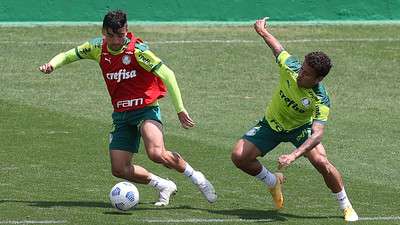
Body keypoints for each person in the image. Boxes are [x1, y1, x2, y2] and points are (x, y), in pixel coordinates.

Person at [39, 10, 217, 206]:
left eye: (120, 35)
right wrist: (52, 65)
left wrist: (180, 109)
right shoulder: (96, 47)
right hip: (121, 116)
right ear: (103, 32)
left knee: (157, 153)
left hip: (145, 110)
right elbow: (68, 55)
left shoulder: (138, 52)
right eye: (110, 35)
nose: (115, 40)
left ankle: (197, 178)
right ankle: (163, 185)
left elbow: (168, 74)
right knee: (119, 169)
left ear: (127, 31)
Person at [231, 17, 358, 222]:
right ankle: (273, 181)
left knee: (322, 162)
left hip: (300, 129)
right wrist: (262, 31)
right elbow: (278, 49)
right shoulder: (291, 68)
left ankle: (346, 205)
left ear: (318, 79)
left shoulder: (320, 99)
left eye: (307, 74)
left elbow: (317, 134)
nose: (300, 75)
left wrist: (294, 155)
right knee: (239, 157)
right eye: (302, 69)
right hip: (272, 124)